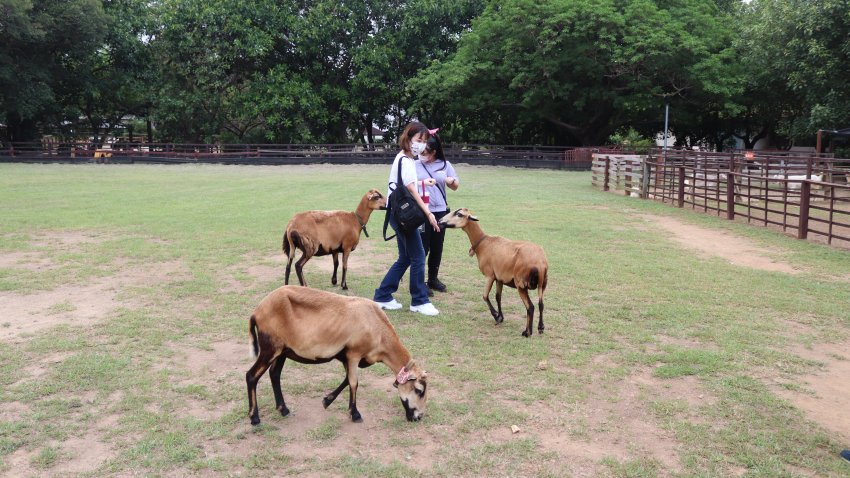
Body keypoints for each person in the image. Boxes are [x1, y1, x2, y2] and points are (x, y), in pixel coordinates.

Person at [374, 122, 441, 316]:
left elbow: (406, 184)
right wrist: (428, 214)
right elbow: (411, 189)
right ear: (408, 138)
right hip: (404, 216)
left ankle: (383, 295)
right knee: (418, 256)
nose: (421, 144)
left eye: (424, 141)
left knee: (405, 257)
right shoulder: (406, 160)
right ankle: (419, 300)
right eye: (418, 140)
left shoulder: (403, 159)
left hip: (397, 214)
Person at [416, 130, 459, 295]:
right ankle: (420, 282)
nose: (422, 154)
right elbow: (409, 185)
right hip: (422, 211)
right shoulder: (414, 164)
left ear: (434, 152)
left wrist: (449, 180)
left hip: (441, 211)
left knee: (437, 247)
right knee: (422, 247)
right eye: (421, 151)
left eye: (425, 152)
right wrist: (423, 183)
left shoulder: (445, 165)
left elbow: (455, 186)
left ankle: (433, 279)